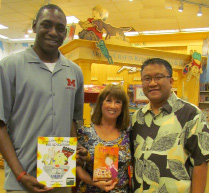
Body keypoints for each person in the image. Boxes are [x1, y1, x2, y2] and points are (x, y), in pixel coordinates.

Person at [0, 4, 86, 193]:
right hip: (22, 181)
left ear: (66, 33)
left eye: (60, 28)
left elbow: (72, 119)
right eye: (46, 25)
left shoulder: (75, 72)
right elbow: (0, 125)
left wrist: (76, 146)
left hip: (60, 178)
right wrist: (20, 174)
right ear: (34, 26)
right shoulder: (9, 67)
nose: (53, 32)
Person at [131, 58, 209, 192]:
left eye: (159, 77)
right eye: (147, 78)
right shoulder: (137, 118)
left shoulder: (191, 114)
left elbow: (200, 163)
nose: (152, 83)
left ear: (171, 81)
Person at [76, 84, 131, 193]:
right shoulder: (85, 132)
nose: (113, 106)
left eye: (118, 102)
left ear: (122, 107)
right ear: (101, 103)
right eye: (108, 101)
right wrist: (94, 182)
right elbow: (76, 166)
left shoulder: (128, 134)